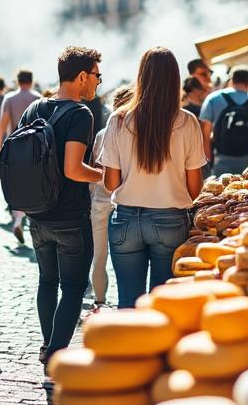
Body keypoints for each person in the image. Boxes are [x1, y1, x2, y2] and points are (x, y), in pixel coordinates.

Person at [99, 49, 207, 307]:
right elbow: (195, 188)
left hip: (125, 219)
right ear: (175, 80)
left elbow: (110, 183)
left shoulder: (119, 119)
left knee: (127, 301)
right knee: (161, 305)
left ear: (141, 77)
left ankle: (128, 347)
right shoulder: (187, 122)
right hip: (169, 219)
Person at [17, 47, 103, 365]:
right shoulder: (81, 114)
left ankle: (48, 345)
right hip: (69, 215)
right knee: (73, 285)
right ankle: (55, 352)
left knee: (47, 281)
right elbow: (73, 169)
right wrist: (105, 176)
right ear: (81, 77)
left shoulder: (34, 108)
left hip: (37, 214)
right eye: (96, 75)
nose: (97, 82)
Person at [89, 85, 133, 311]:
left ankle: (100, 301)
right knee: (127, 258)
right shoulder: (136, 133)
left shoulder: (102, 134)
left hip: (100, 200)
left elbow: (95, 169)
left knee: (99, 255)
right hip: (126, 202)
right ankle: (128, 302)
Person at [0, 69, 42, 243]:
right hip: (34, 146)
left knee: (16, 185)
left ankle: (18, 219)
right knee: (32, 183)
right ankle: (31, 217)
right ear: (31, 81)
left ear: (17, 81)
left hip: (14, 146)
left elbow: (2, 125)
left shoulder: (9, 98)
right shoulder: (38, 98)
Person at [200, 67, 248, 177]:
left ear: (231, 81)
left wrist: (208, 162)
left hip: (221, 162)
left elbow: (205, 133)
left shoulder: (213, 99)